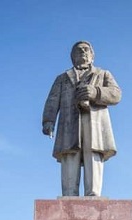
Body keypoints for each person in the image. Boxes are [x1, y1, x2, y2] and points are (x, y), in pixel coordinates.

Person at [42, 41, 121, 197]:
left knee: (93, 153)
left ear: (92, 55)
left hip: (95, 122)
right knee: (70, 154)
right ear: (73, 57)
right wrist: (48, 120)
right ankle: (69, 194)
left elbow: (116, 94)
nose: (83, 52)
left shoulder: (103, 74)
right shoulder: (62, 78)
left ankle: (93, 194)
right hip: (69, 123)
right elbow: (52, 100)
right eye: (78, 51)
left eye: (86, 50)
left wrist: (96, 93)